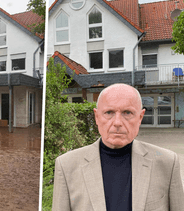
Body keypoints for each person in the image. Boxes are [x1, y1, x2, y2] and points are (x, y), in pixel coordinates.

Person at [52, 83, 184, 211]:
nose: (117, 122)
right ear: (97, 117)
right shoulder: (67, 165)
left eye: (127, 112)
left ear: (140, 117)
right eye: (109, 112)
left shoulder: (167, 163)